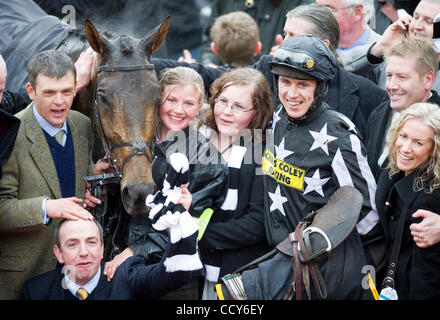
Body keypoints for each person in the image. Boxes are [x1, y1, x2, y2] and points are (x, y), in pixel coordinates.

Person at [218, 35, 379, 300]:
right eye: (286, 82)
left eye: (303, 84)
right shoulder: (277, 118)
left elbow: (368, 211)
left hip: (324, 273)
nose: (292, 94)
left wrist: (320, 247)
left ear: (321, 88)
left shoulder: (339, 135)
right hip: (276, 260)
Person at [84, 67, 228, 296]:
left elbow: (191, 224)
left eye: (189, 103)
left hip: (172, 275)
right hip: (113, 261)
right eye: (171, 99)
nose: (179, 110)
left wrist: (134, 252)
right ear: (158, 99)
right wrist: (99, 185)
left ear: (201, 106)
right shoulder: (132, 143)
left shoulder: (208, 161)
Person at [0, 50, 94, 300]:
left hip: (73, 278)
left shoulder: (82, 125)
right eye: (49, 93)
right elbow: (1, 209)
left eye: (66, 91)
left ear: (76, 87)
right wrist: (47, 207)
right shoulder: (10, 133)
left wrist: (94, 187)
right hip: (23, 278)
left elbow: (81, 184)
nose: (59, 102)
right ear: (30, 91)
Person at [194, 68, 273, 299]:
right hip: (187, 270)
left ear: (257, 112)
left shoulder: (262, 151)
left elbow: (257, 223)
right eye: (223, 101)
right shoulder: (195, 136)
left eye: (239, 106)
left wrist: (200, 236)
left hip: (236, 273)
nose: (227, 112)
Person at [270, 3, 389, 132]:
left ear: (323, 45)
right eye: (285, 34)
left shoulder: (370, 97)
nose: (285, 43)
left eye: (294, 37)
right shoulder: (265, 70)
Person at [21, 217, 200, 299]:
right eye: (73, 244)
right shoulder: (36, 291)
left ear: (101, 249)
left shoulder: (125, 277)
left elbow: (175, 275)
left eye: (91, 242)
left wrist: (181, 225)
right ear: (58, 253)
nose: (84, 252)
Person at [375, 102, 440, 299]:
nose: (406, 148)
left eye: (418, 143)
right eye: (403, 136)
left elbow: (426, 277)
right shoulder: (391, 172)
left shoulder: (428, 201)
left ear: (434, 149)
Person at [366, 36, 440, 179]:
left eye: (402, 77)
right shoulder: (378, 113)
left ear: (428, 79)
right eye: (389, 75)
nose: (391, 86)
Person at [198, 0, 313, 67]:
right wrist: (209, 64)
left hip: (273, 79)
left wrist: (286, 52)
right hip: (225, 76)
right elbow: (211, 36)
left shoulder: (299, 3)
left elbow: (308, 42)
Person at [357, 0, 440, 91]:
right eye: (415, 17)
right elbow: (346, 74)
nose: (417, 26)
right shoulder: (390, 60)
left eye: (429, 21)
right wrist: (380, 47)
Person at [315, 0, 382, 72]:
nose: (318, 15)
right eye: (317, 7)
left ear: (357, 12)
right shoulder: (314, 43)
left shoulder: (383, 52)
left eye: (327, 9)